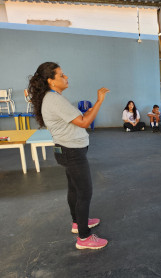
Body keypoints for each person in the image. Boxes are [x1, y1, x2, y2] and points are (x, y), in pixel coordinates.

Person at [28, 62, 109, 249]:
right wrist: (99, 101)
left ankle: (77, 223)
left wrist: (87, 112)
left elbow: (76, 118)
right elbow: (84, 122)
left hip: (67, 150)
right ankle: (84, 237)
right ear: (51, 81)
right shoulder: (54, 99)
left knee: (74, 189)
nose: (66, 77)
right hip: (72, 152)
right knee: (85, 192)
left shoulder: (52, 98)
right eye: (62, 75)